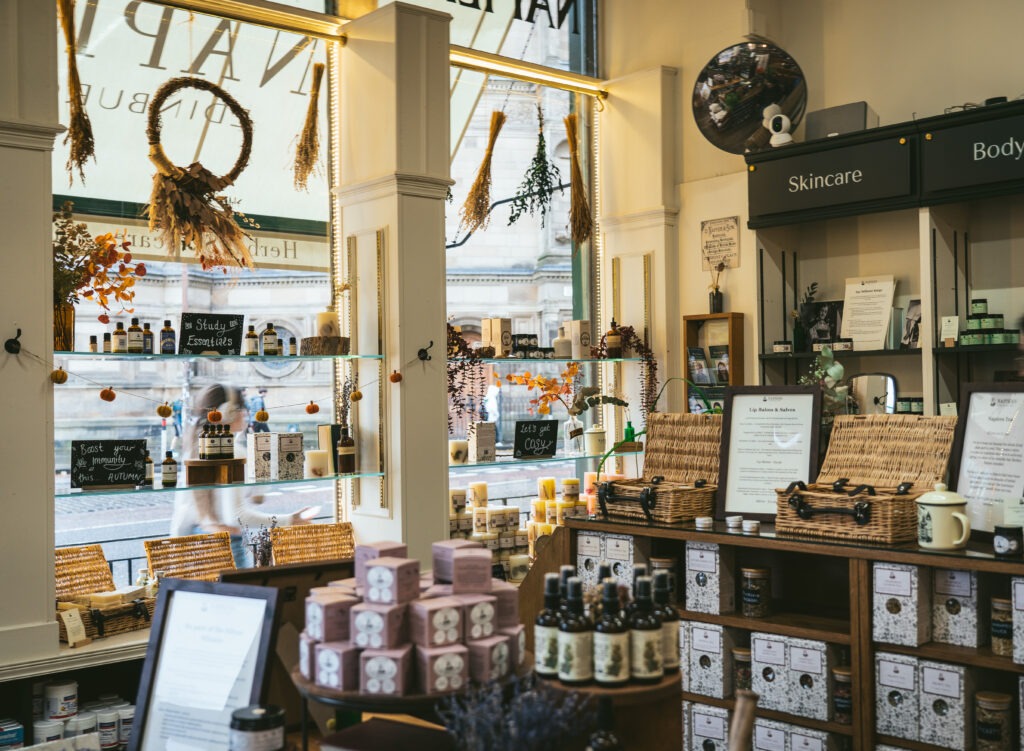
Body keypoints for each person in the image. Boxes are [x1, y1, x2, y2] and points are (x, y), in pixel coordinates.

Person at [169, 383, 313, 567]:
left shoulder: (196, 447)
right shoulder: (232, 451)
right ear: (227, 412)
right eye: (241, 407)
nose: (246, 412)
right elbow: (236, 516)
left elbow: (184, 512)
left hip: (195, 547)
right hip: (227, 548)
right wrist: (289, 520)